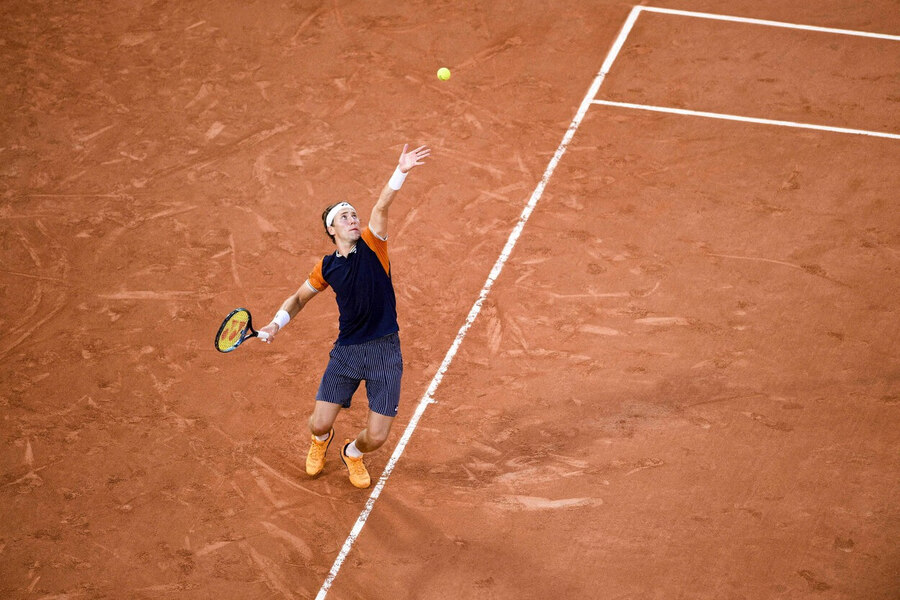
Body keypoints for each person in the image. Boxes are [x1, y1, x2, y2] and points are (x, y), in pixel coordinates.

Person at [259, 144, 430, 488]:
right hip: (348, 352)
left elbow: (382, 205)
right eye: (344, 217)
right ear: (332, 230)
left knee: (378, 437)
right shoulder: (327, 267)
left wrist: (402, 171)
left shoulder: (374, 243)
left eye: (354, 215)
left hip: (385, 351)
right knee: (318, 424)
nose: (353, 220)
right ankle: (321, 441)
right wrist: (276, 323)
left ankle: (352, 452)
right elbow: (298, 298)